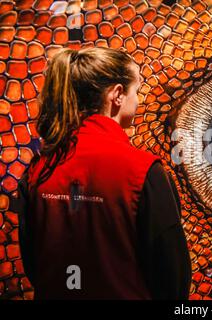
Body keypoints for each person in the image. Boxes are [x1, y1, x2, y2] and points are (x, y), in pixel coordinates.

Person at [10, 47, 192, 300]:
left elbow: (33, 261)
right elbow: (172, 276)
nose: (138, 101)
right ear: (117, 94)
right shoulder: (143, 171)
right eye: (136, 91)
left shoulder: (39, 169)